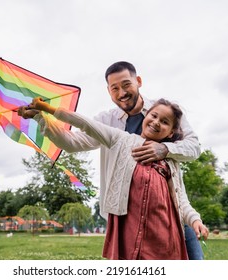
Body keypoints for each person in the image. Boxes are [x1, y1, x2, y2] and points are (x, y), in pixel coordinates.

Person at [20, 61, 205, 259]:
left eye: (126, 85)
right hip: (128, 216)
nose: (122, 93)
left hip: (168, 215)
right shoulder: (110, 125)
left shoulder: (163, 112)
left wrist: (164, 149)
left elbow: (193, 147)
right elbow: (73, 140)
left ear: (138, 81)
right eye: (114, 88)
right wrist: (43, 115)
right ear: (108, 91)